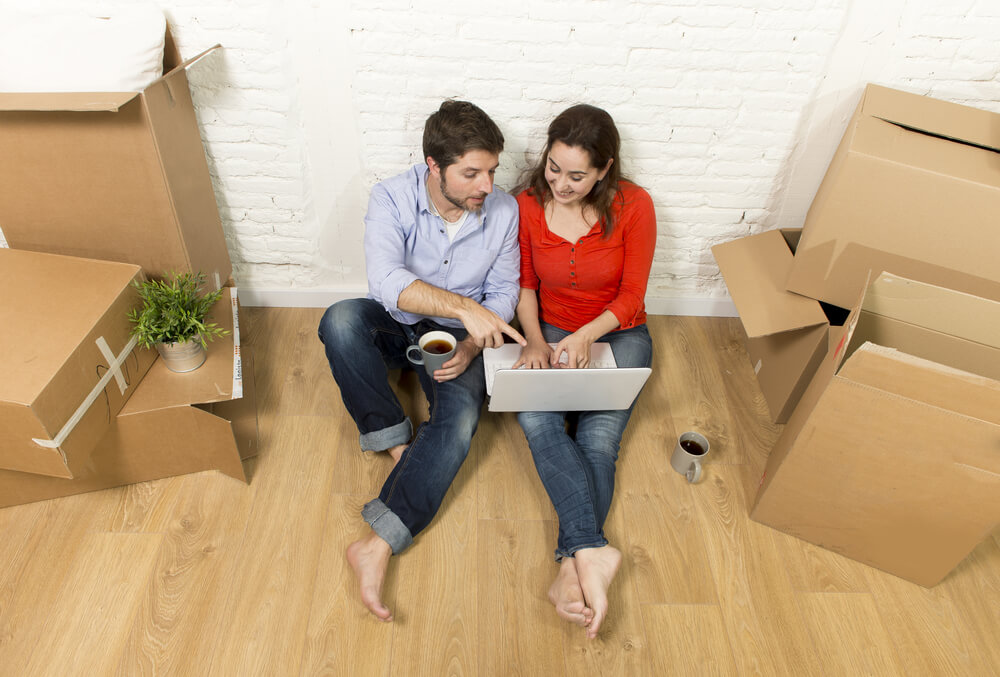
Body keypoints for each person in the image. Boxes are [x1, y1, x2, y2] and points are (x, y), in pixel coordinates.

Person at [318, 100, 525, 621]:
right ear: (434, 165)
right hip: (400, 321)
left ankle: (377, 544)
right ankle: (394, 441)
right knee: (341, 320)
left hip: (459, 339)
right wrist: (464, 307)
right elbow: (386, 282)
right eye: (471, 173)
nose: (486, 185)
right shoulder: (390, 196)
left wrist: (475, 341)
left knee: (458, 424)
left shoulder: (503, 209)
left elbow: (504, 289)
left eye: (492, 171)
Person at [513, 104, 656, 638]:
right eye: (554, 168)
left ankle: (569, 563)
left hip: (619, 332)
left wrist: (585, 337)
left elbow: (633, 295)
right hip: (546, 328)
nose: (561, 184)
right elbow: (525, 285)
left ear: (604, 170)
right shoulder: (526, 203)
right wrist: (534, 342)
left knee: (598, 441)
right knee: (538, 422)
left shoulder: (635, 205)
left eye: (577, 175)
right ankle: (590, 552)